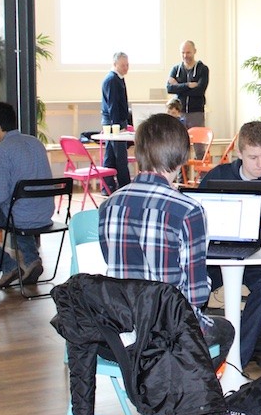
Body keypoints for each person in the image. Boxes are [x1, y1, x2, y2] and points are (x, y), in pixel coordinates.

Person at [98, 113, 234, 364]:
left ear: (139, 151)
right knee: (225, 330)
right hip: (168, 329)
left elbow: (112, 262)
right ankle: (182, 387)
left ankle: (154, 381)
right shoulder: (189, 210)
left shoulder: (109, 204)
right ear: (182, 156)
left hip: (122, 330)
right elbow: (196, 296)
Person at [200, 120, 261, 367]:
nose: (260, 164)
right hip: (216, 256)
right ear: (239, 154)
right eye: (253, 157)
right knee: (192, 286)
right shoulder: (218, 176)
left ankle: (234, 362)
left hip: (260, 257)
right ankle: (196, 354)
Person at [0, 102, 54, 289]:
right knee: (16, 209)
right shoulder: (35, 143)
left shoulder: (2, 151)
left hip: (20, 214)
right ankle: (32, 261)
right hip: (45, 211)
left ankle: (8, 267)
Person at [101, 51, 131, 192]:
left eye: (127, 65)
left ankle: (107, 186)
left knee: (111, 156)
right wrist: (117, 126)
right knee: (120, 157)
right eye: (123, 65)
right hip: (114, 123)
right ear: (115, 64)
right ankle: (124, 186)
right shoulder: (112, 80)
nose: (126, 68)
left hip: (115, 122)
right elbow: (113, 105)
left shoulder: (118, 78)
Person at [166, 40, 209, 128]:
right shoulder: (175, 69)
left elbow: (200, 91)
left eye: (188, 52)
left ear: (194, 51)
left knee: (197, 136)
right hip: (179, 113)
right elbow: (169, 89)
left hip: (196, 113)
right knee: (179, 136)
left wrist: (178, 87)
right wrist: (187, 85)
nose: (185, 55)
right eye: (183, 53)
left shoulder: (203, 69)